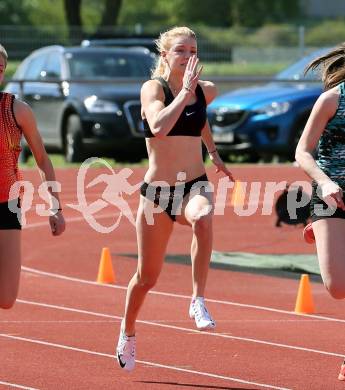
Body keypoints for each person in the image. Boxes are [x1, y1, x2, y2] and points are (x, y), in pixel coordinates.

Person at [115, 26, 233, 371]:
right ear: (165, 55)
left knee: (204, 217)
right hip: (157, 194)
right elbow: (159, 125)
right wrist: (183, 92)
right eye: (180, 50)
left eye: (193, 50)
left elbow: (200, 121)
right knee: (146, 277)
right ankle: (129, 330)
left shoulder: (205, 91)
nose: (188, 56)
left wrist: (213, 152)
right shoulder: (154, 89)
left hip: (193, 185)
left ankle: (197, 299)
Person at [0, 44, 65, 309]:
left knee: (6, 298)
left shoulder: (16, 110)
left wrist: (55, 205)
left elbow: (42, 158)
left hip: (8, 203)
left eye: (0, 69)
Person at [295, 42, 345, 381]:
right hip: (332, 196)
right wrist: (325, 183)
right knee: (338, 287)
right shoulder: (332, 99)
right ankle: (320, 230)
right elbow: (302, 151)